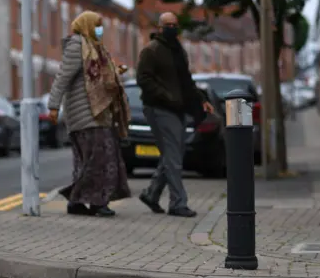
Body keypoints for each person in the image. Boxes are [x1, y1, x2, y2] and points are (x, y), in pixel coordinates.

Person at [47, 11, 131, 217]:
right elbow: (63, 77)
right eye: (97, 25)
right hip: (85, 114)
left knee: (87, 162)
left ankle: (77, 203)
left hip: (98, 113)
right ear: (86, 25)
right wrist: (53, 106)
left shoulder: (95, 47)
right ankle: (96, 203)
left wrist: (115, 73)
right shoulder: (78, 46)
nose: (100, 29)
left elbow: (94, 76)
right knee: (99, 160)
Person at [136, 12, 214, 218]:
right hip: (159, 109)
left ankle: (151, 194)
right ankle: (178, 203)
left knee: (174, 155)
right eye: (167, 25)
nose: (172, 28)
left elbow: (186, 80)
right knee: (173, 157)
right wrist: (166, 96)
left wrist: (201, 99)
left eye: (175, 24)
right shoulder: (151, 50)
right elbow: (143, 79)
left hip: (178, 108)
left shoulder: (178, 50)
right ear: (160, 27)